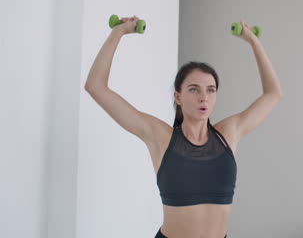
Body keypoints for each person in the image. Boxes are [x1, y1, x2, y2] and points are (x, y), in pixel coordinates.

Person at [84, 16, 283, 238]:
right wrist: (117, 33)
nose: (203, 98)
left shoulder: (229, 133)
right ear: (178, 96)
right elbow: (95, 87)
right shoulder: (160, 136)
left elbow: (273, 94)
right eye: (194, 89)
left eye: (210, 90)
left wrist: (254, 42)